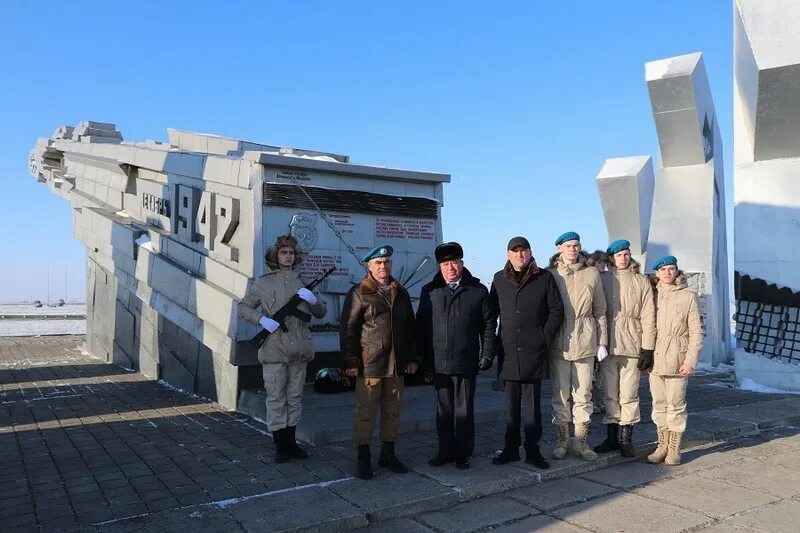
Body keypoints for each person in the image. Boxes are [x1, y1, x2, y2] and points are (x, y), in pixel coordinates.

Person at [238, 235, 328, 463]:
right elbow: (243, 307)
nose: (288, 256)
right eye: (283, 253)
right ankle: (280, 445)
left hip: (299, 346)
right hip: (275, 348)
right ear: (275, 256)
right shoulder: (263, 282)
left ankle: (292, 442)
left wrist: (314, 300)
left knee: (295, 397)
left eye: (291, 253)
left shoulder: (303, 281)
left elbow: (321, 312)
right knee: (276, 396)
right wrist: (261, 320)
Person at [340, 244, 420, 480]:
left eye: (386, 262)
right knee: (366, 413)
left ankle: (388, 454)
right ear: (369, 266)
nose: (383, 266)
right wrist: (351, 361)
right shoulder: (359, 293)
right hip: (370, 364)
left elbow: (410, 328)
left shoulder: (400, 292)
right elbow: (348, 329)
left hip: (396, 364)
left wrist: (413, 357)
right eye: (378, 263)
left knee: (392, 411)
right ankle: (363, 457)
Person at [483, 236, 564, 469]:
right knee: (510, 408)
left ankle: (532, 450)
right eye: (515, 251)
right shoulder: (499, 279)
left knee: (532, 407)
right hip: (508, 351)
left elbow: (556, 311)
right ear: (508, 254)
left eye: (524, 251)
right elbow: (491, 313)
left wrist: (543, 337)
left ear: (530, 253)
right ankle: (510, 449)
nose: (520, 255)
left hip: (533, 351)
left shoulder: (543, 277)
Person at [416, 242, 495, 469]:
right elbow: (421, 325)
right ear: (439, 267)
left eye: (454, 262)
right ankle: (445, 452)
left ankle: (463, 454)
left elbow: (488, 325)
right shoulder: (429, 291)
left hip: (466, 361)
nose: (450, 267)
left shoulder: (477, 291)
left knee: (464, 411)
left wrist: (487, 354)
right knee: (444, 411)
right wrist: (422, 359)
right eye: (445, 264)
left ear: (461, 263)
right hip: (439, 363)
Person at [547, 231, 607, 461]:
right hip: (559, 342)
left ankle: (581, 442)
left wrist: (602, 341)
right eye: (568, 245)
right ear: (559, 248)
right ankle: (562, 441)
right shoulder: (551, 274)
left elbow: (600, 310)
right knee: (560, 395)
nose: (573, 249)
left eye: (576, 245)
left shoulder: (591, 273)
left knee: (583, 394)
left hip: (585, 339)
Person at [593, 239, 656, 457]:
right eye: (619, 254)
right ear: (611, 258)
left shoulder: (641, 281)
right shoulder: (601, 280)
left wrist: (647, 349)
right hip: (608, 345)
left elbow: (649, 316)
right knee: (610, 392)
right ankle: (611, 437)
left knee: (629, 393)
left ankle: (626, 438)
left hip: (632, 344)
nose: (624, 257)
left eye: (627, 254)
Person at [646, 255, 702, 466]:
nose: (667, 273)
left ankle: (674, 449)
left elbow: (696, 332)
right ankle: (662, 445)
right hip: (656, 359)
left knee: (676, 405)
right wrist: (646, 358)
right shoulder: (652, 294)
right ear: (657, 273)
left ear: (677, 271)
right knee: (659, 405)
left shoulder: (687, 296)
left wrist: (690, 360)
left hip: (678, 358)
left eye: (671, 269)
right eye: (663, 270)